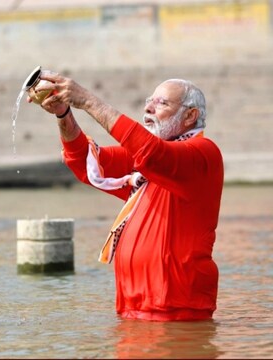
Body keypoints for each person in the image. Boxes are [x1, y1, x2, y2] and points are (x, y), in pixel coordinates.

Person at [30, 71, 223, 321]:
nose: (149, 109)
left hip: (177, 310)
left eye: (162, 103)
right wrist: (63, 114)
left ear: (190, 116)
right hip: (132, 310)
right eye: (149, 101)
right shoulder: (143, 163)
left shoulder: (203, 154)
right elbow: (84, 162)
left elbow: (152, 153)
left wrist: (88, 100)